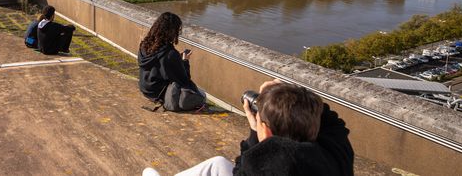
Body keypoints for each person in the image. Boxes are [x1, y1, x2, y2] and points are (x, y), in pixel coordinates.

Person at [144, 80, 354, 176]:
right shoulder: (337, 154)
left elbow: (241, 168)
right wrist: (288, 96)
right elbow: (333, 121)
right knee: (216, 165)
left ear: (268, 132)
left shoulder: (260, 165)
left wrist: (254, 132)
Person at [138, 12, 205, 111]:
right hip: (159, 94)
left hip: (145, 89)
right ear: (173, 32)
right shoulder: (170, 54)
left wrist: (177, 60)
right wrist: (185, 61)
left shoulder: (144, 45)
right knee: (202, 94)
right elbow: (184, 80)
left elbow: (159, 65)